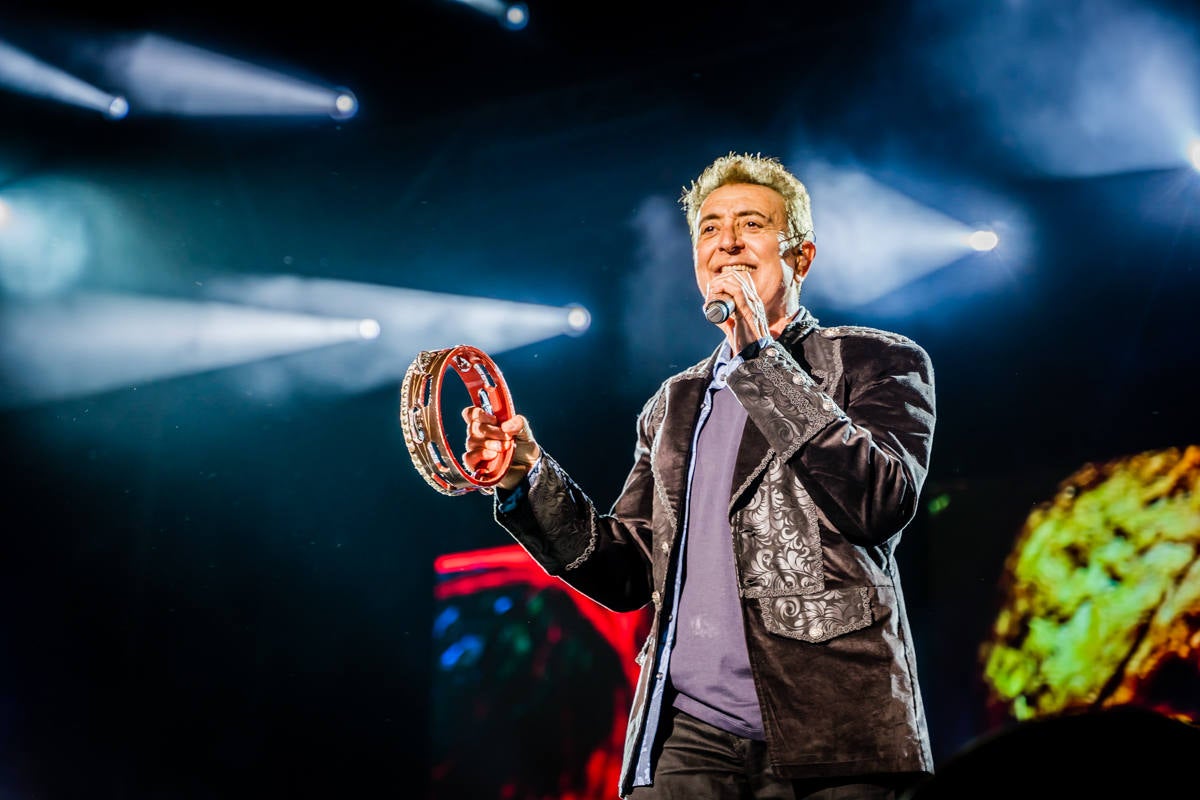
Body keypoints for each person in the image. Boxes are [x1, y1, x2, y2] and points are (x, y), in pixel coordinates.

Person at [461, 151, 937, 799]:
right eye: (710, 228)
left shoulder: (874, 360)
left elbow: (878, 500)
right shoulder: (673, 404)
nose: (728, 241)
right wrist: (527, 476)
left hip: (834, 735)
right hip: (689, 736)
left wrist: (759, 357)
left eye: (752, 224)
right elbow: (626, 570)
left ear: (800, 257)